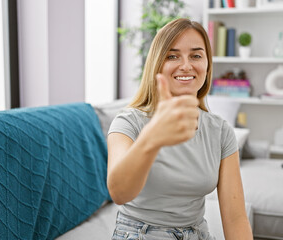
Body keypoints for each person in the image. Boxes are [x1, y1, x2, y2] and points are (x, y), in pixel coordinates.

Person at [107, 18, 253, 240]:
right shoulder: (128, 122)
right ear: (157, 65)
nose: (186, 65)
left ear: (207, 65)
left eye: (196, 55)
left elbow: (235, 219)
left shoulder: (221, 131)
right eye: (172, 56)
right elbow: (119, 192)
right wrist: (153, 138)